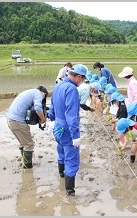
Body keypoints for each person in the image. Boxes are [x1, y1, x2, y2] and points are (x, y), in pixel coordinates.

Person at [48, 64, 87, 196]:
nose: (82, 82)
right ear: (79, 77)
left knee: (61, 152)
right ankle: (70, 191)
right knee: (72, 159)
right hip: (67, 130)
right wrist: (75, 135)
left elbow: (52, 107)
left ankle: (61, 176)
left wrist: (52, 121)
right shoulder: (71, 89)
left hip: (58, 127)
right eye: (83, 79)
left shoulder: (58, 85)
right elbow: (71, 115)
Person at [7, 86, 48, 169]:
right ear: (43, 93)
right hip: (17, 121)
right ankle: (27, 167)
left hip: (10, 119)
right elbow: (37, 107)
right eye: (44, 96)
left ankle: (24, 163)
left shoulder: (30, 92)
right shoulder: (38, 93)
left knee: (23, 143)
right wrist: (43, 119)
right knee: (29, 144)